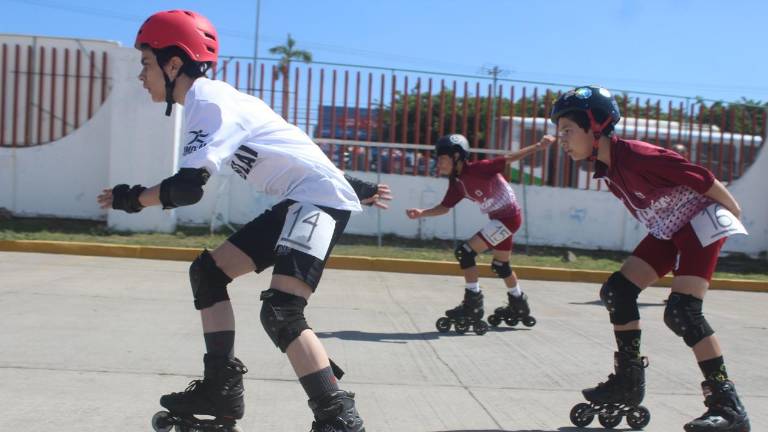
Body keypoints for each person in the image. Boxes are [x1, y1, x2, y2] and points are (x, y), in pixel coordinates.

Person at [98, 10, 390, 431]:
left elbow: (187, 188)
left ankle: (337, 416)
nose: (141, 76)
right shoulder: (213, 100)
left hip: (317, 200)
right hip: (305, 197)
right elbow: (294, 150)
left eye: (146, 63)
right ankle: (220, 389)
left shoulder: (208, 100)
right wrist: (357, 185)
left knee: (282, 311)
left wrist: (132, 199)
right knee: (208, 274)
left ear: (173, 63)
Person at [553, 85, 749, 432]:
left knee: (683, 312)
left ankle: (728, 406)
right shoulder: (609, 169)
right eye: (559, 132)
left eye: (567, 130)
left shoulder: (637, 156)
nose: (561, 139)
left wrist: (733, 211)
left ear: (595, 126)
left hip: (699, 220)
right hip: (669, 228)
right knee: (618, 292)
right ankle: (628, 381)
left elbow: (701, 178)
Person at [405, 133, 554, 335]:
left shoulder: (480, 168)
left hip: (508, 219)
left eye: (442, 158)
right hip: (501, 220)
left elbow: (509, 158)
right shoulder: (456, 183)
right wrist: (422, 213)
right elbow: (444, 207)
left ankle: (472, 305)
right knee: (501, 266)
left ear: (457, 156)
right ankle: (519, 305)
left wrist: (538, 146)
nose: (438, 163)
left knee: (465, 253)